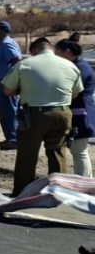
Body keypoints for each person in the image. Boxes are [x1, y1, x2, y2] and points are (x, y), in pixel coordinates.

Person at [2, 37, 81, 196]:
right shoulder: (70, 65)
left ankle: (23, 193)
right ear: (51, 48)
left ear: (33, 50)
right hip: (62, 114)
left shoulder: (24, 64)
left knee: (27, 155)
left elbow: (7, 91)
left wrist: (23, 89)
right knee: (58, 153)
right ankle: (59, 193)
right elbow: (75, 94)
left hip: (34, 115)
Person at [54, 38, 95, 178]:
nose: (55, 56)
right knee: (78, 151)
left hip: (81, 115)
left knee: (79, 151)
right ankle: (85, 180)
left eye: (57, 52)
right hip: (80, 113)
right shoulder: (77, 65)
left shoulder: (79, 68)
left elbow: (71, 91)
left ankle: (84, 182)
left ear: (67, 51)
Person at [0, 20, 22, 149]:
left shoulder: (6, 44)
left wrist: (12, 80)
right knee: (5, 111)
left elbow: (16, 61)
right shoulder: (1, 44)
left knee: (9, 111)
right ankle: (10, 138)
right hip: (2, 82)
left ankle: (13, 140)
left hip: (6, 83)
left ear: (0, 32)